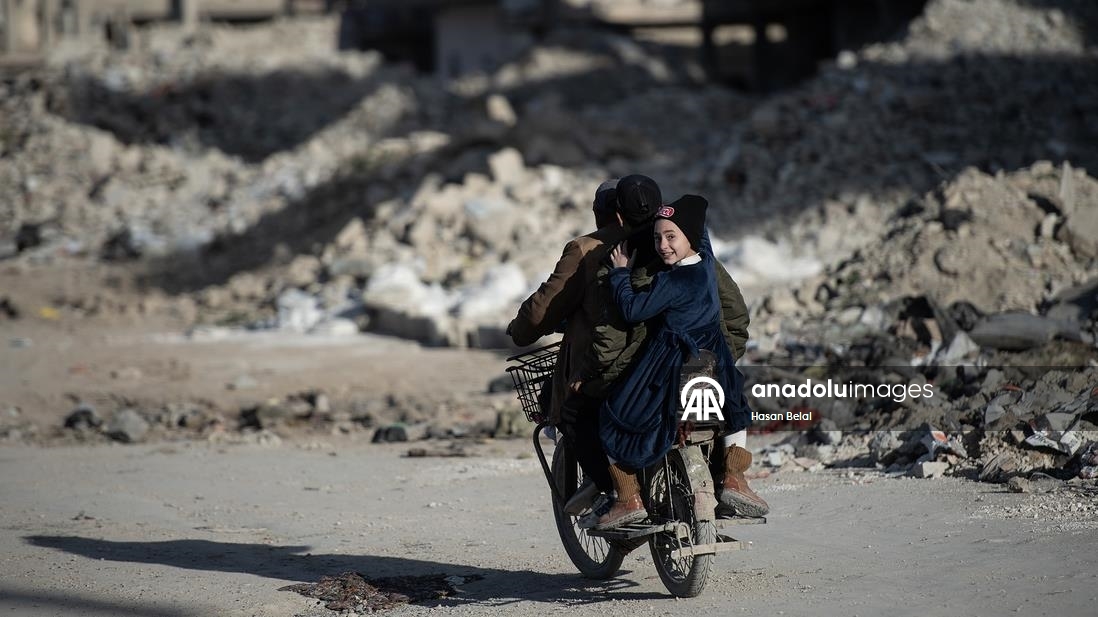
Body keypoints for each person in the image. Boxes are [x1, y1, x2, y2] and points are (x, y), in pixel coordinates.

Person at [593, 194, 765, 530]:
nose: (662, 246)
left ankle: (628, 498)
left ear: (689, 236)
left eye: (671, 236)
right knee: (735, 411)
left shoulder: (674, 281)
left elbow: (632, 310)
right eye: (657, 237)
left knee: (613, 416)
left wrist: (619, 274)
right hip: (713, 360)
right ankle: (734, 477)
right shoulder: (704, 268)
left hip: (669, 362)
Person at [507, 179, 628, 500]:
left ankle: (614, 494)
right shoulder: (672, 239)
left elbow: (543, 308)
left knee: (565, 406)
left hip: (605, 362)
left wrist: (520, 330)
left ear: (605, 214)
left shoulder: (587, 249)